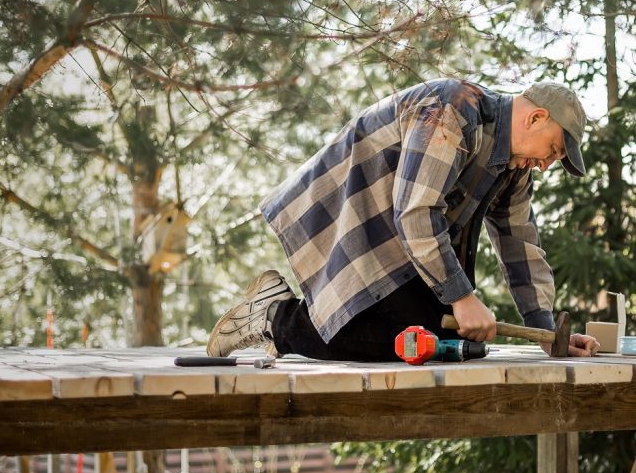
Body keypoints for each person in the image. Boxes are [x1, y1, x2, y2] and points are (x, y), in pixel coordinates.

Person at [206, 78, 601, 361]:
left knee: (450, 344)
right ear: (535, 118)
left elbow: (520, 244)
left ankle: (280, 316)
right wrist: (462, 298)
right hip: (353, 216)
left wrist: (546, 330)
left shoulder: (515, 168)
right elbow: (416, 212)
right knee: (400, 340)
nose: (548, 165)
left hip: (401, 241)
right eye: (553, 150)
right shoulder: (452, 109)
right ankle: (273, 316)